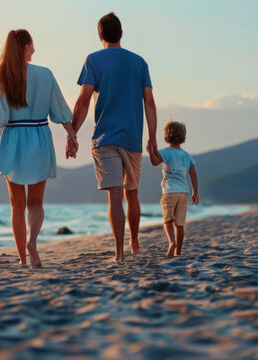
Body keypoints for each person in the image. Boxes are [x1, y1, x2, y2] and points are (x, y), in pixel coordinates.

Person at [0, 29, 77, 269]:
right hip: (38, 136)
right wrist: (72, 134)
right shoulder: (45, 74)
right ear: (26, 47)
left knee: (17, 205)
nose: (34, 49)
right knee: (36, 203)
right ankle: (32, 242)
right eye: (33, 45)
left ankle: (23, 260)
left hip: (13, 139)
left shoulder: (1, 78)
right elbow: (60, 110)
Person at [70, 12, 158, 262]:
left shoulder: (94, 60)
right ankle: (135, 244)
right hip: (132, 139)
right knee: (132, 194)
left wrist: (72, 133)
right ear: (121, 33)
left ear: (100, 35)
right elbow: (149, 103)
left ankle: (119, 254)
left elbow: (83, 100)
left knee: (115, 196)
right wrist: (152, 138)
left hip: (105, 138)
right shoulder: (139, 62)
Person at [147, 120, 199, 258]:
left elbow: (154, 162)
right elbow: (193, 174)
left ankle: (171, 242)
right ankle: (179, 252)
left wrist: (151, 151)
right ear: (183, 137)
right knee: (180, 224)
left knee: (168, 220)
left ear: (166, 137)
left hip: (169, 192)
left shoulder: (166, 152)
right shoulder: (187, 155)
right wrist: (195, 192)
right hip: (184, 193)